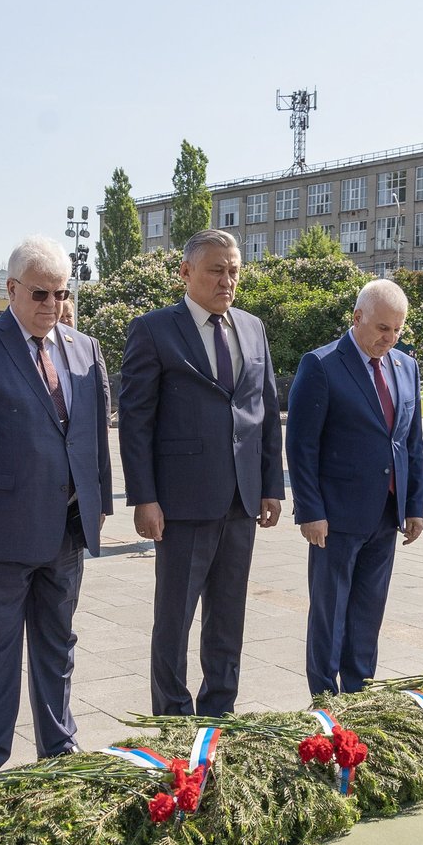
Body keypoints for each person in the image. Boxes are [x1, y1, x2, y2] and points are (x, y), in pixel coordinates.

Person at [0, 236, 112, 776]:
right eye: (40, 293)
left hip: (66, 529)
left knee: (58, 642)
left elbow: (91, 434)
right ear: (12, 289)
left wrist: (98, 501)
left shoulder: (83, 348)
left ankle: (58, 749)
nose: (52, 306)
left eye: (61, 294)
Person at [118, 229, 284, 717]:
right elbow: (136, 420)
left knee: (228, 615)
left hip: (241, 499)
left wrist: (271, 484)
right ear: (186, 272)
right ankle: (172, 715)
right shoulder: (153, 330)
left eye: (234, 270)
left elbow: (264, 410)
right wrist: (143, 497)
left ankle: (220, 710)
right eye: (216, 269)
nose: (227, 279)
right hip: (182, 501)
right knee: (174, 617)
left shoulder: (252, 328)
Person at [287, 279, 423, 696]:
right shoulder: (322, 364)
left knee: (368, 610)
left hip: (386, 513)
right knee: (330, 612)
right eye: (383, 328)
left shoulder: (406, 366)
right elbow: (301, 444)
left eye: (398, 329)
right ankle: (324, 696)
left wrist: (414, 504)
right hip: (336, 516)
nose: (390, 338)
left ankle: (360, 689)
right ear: (357, 318)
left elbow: (410, 442)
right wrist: (310, 510)